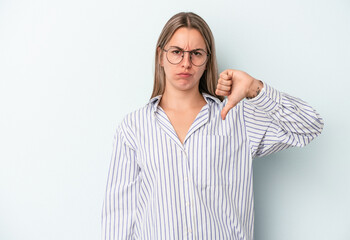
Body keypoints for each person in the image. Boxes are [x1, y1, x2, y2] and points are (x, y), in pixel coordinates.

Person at [101, 12, 324, 240]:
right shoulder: (133, 127)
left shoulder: (238, 119)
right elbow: (120, 213)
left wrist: (254, 88)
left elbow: (309, 126)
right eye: (177, 52)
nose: (186, 63)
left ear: (207, 59)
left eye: (196, 54)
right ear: (160, 56)